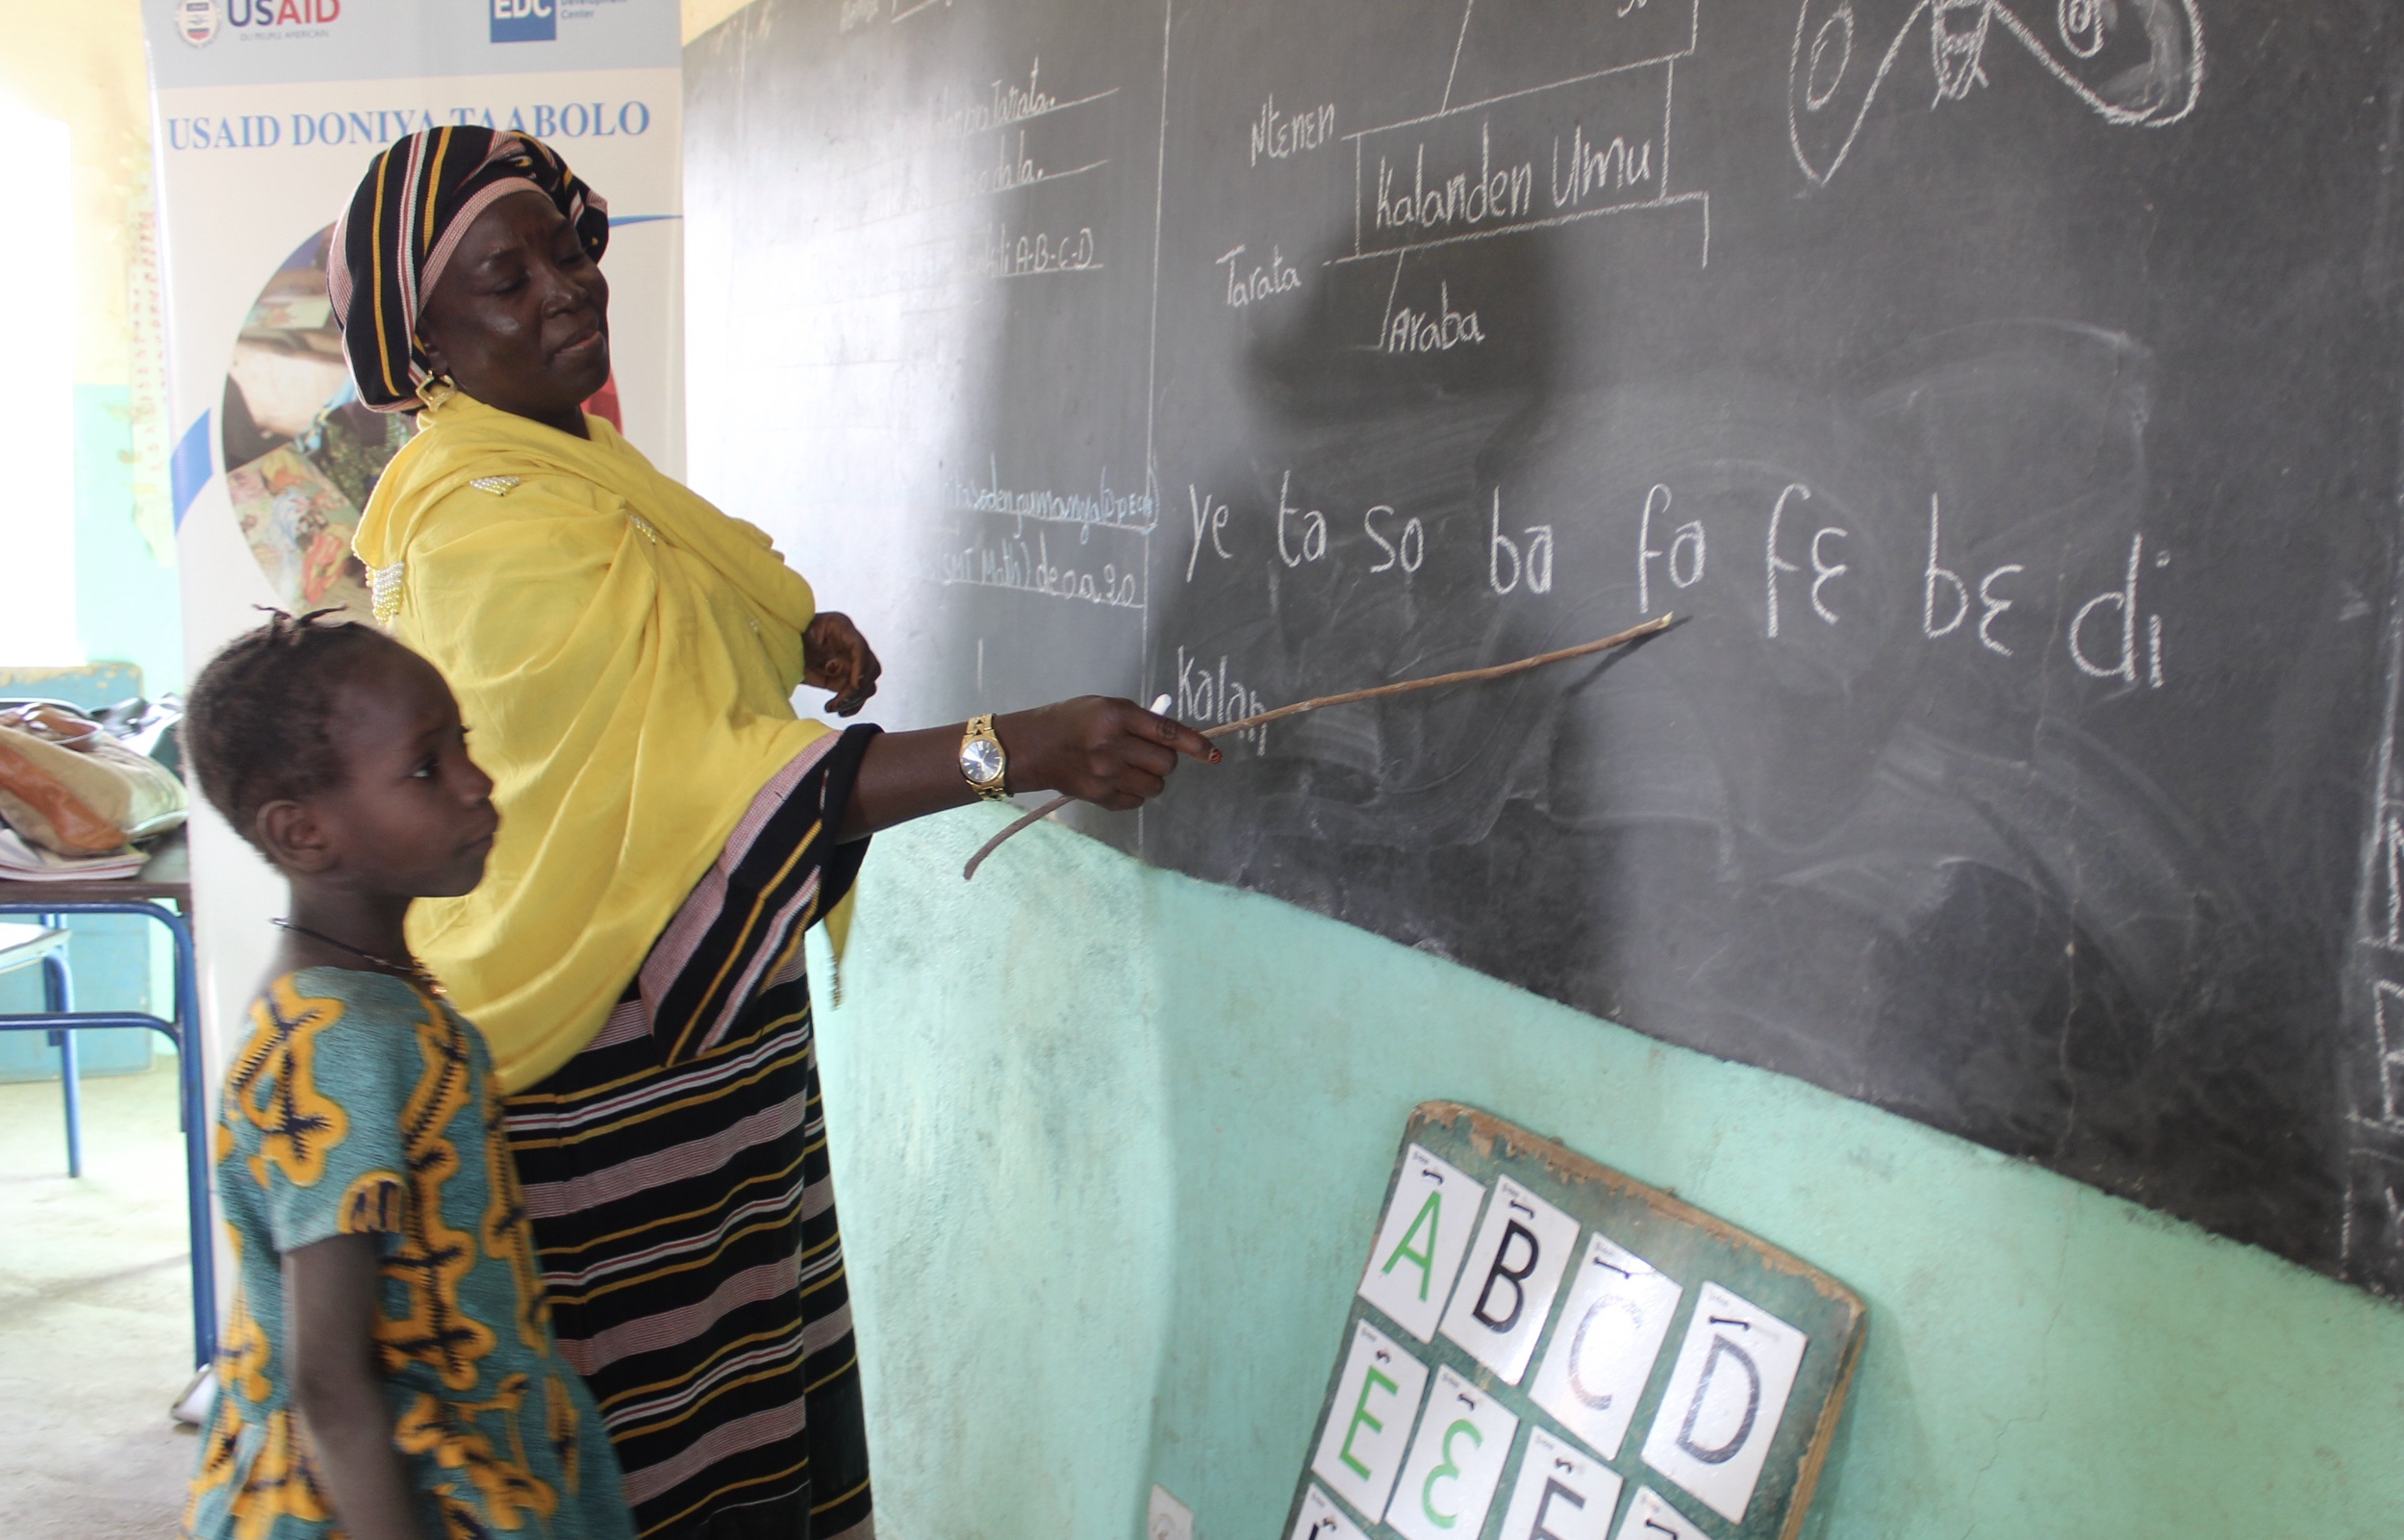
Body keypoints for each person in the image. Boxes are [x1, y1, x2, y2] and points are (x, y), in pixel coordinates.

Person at [330, 128, 1216, 1540]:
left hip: (705, 1059)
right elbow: (679, 781)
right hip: (594, 1082)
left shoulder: (572, 462)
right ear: (425, 342)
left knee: (748, 1419)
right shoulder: (483, 523)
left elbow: (654, 671)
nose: (562, 290)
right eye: (504, 278)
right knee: (657, 1449)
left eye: (563, 251)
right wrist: (1014, 747)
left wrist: (782, 634)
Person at [179, 612, 636, 1540]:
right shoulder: (340, 1040)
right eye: (427, 767)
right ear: (304, 833)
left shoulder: (364, 1001)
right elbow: (329, 1376)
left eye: (461, 743)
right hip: (402, 1499)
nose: (475, 784)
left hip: (478, 1456)